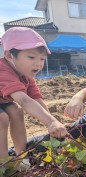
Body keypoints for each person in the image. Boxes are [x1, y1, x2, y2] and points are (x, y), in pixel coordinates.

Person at [0, 27, 68, 159]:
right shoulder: (3, 71)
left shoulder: (26, 74)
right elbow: (24, 100)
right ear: (9, 56)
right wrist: (51, 122)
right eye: (31, 57)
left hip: (2, 100)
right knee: (1, 118)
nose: (38, 63)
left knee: (16, 110)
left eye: (42, 59)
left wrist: (53, 122)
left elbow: (36, 99)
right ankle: (3, 164)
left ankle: (22, 156)